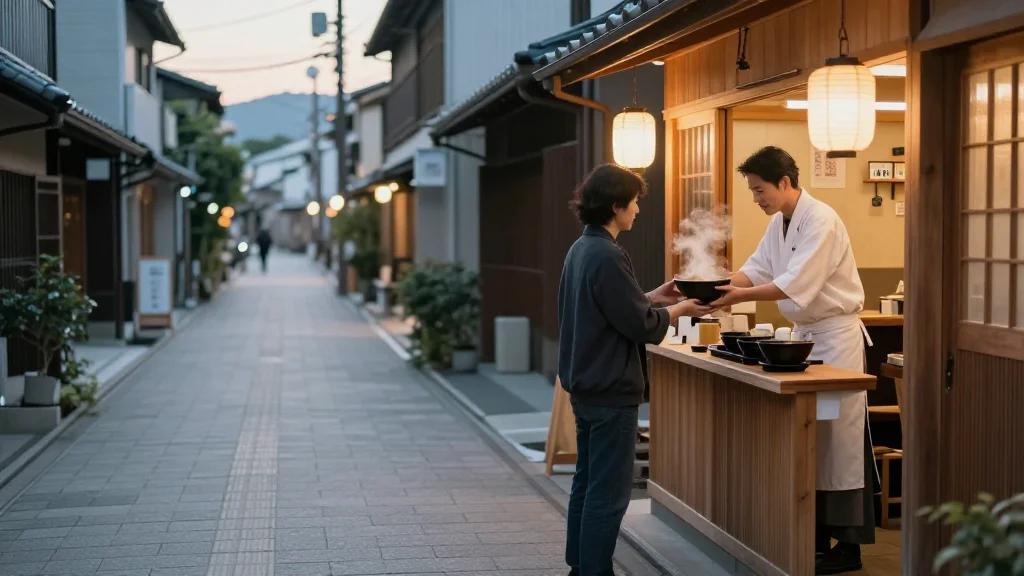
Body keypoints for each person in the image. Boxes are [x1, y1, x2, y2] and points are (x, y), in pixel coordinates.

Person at [709, 146, 874, 575]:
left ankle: (848, 546)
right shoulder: (779, 223)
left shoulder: (821, 219)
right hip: (805, 338)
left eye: (759, 190)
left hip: (835, 339)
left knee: (837, 442)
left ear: (784, 182)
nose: (756, 198)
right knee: (807, 435)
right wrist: (713, 284)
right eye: (752, 191)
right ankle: (813, 536)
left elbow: (794, 283)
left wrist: (736, 296)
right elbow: (756, 269)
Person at [558, 164, 713, 576]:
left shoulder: (582, 248)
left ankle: (580, 565)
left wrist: (655, 296)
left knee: (587, 481)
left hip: (586, 385)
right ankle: (595, 570)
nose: (638, 209)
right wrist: (682, 308)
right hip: (610, 388)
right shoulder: (607, 254)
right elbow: (640, 325)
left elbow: (612, 307)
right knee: (609, 492)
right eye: (635, 201)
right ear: (616, 205)